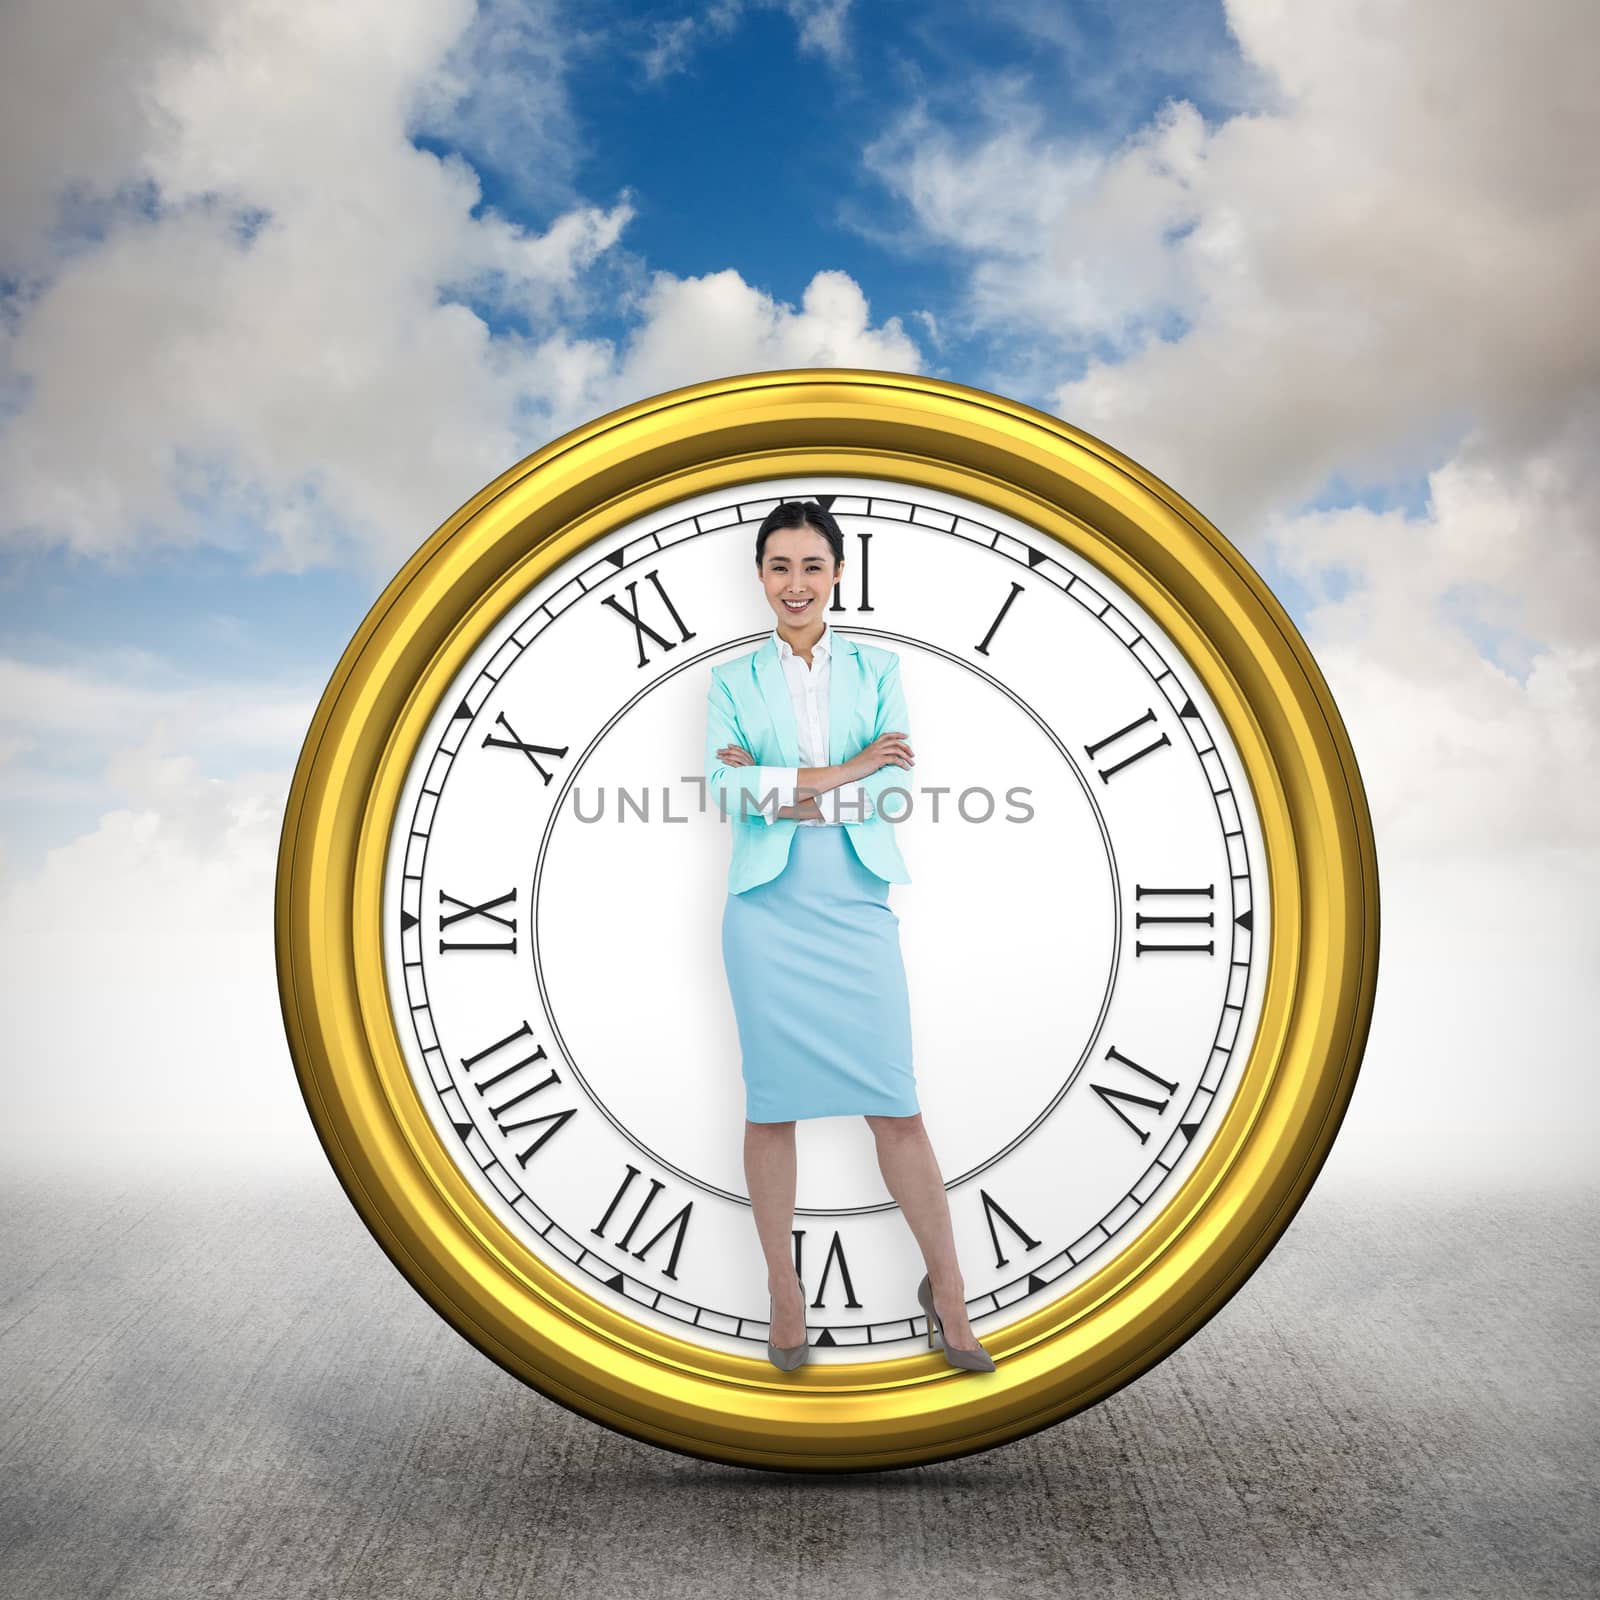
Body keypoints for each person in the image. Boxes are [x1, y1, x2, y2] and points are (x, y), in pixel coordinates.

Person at [705, 499, 995, 1374]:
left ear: (837, 573)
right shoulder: (729, 681)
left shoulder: (879, 668)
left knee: (896, 1109)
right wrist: (855, 766)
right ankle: (782, 1290)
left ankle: (947, 1292)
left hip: (856, 901)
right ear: (760, 577)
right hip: (765, 909)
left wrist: (785, 783)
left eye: (812, 566)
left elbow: (891, 797)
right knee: (772, 1107)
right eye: (779, 567)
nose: (796, 584)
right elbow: (728, 796)